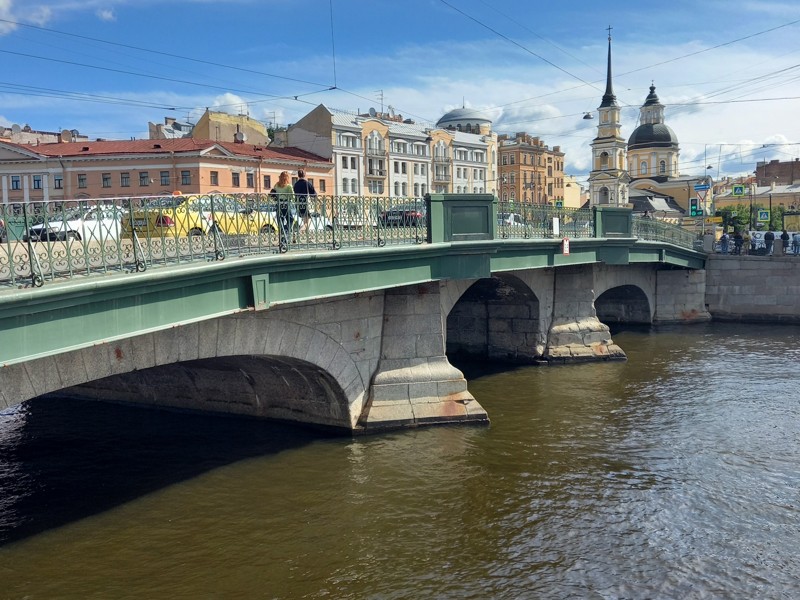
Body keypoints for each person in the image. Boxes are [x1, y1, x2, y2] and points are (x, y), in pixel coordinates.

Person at [271, 170, 295, 245]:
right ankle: (286, 232)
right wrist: (295, 201)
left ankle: (282, 240)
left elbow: (273, 194)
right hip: (286, 204)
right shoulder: (289, 186)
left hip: (278, 204)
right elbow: (292, 196)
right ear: (287, 178)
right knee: (290, 220)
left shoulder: (276, 185)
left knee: (280, 221)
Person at [293, 169, 317, 233]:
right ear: (304, 175)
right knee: (306, 223)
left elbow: (294, 194)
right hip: (306, 204)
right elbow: (313, 194)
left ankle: (307, 237)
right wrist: (318, 201)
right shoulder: (307, 183)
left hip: (298, 205)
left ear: (298, 175)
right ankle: (298, 232)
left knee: (305, 221)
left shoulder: (295, 184)